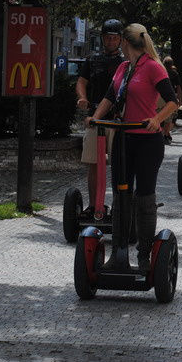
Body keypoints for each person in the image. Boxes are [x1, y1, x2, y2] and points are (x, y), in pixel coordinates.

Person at [87, 23, 178, 273]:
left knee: (144, 196)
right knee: (120, 193)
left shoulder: (153, 67)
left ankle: (145, 254)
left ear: (126, 42)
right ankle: (118, 252)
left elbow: (173, 101)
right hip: (124, 137)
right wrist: (94, 117)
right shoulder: (123, 68)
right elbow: (109, 97)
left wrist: (157, 120)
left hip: (148, 140)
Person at [76, 19, 124, 216]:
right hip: (94, 118)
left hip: (119, 120)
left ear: (120, 39)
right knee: (94, 164)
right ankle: (95, 205)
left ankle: (120, 207)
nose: (111, 41)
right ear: (102, 39)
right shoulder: (92, 60)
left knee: (120, 165)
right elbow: (81, 82)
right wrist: (82, 98)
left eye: (114, 38)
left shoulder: (126, 63)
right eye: (107, 37)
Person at [161, 56, 182, 144]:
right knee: (169, 117)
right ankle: (166, 134)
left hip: (160, 96)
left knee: (160, 115)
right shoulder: (174, 73)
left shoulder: (161, 71)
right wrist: (179, 99)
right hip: (171, 96)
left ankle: (161, 134)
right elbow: (178, 87)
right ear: (172, 64)